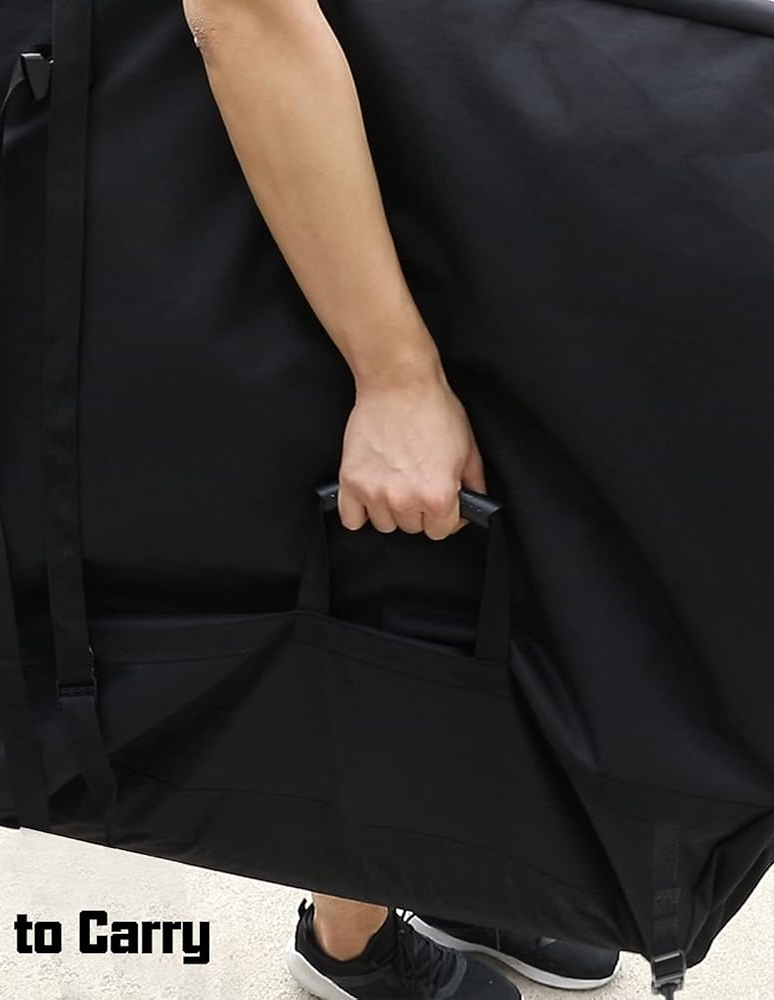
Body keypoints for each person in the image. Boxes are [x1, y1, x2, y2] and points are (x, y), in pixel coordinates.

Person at [181, 2, 622, 997]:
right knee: (381, 568)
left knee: (473, 565)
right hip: (303, 160)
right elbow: (244, 14)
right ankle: (348, 936)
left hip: (431, 140)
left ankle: (441, 866)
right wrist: (392, 373)